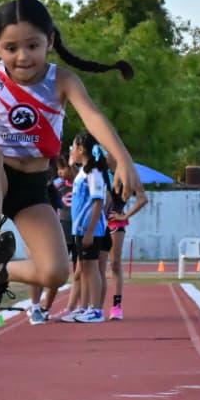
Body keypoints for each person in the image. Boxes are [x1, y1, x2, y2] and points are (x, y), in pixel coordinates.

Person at [0, 0, 143, 319]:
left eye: (33, 46)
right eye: (11, 48)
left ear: (50, 41)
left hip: (31, 187)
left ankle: (0, 273)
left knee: (55, 273)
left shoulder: (61, 81)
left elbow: (93, 118)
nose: (23, 57)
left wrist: (123, 159)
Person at [61, 134, 110, 323]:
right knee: (84, 269)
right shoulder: (82, 172)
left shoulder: (94, 173)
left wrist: (90, 231)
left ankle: (96, 310)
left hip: (91, 229)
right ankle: (86, 307)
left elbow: (98, 203)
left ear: (81, 149)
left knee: (91, 269)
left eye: (73, 147)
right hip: (79, 229)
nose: (71, 151)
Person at [28, 157, 74, 324]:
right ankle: (34, 307)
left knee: (55, 272)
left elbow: (60, 208)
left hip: (52, 233)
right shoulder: (27, 188)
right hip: (34, 231)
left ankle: (44, 307)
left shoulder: (53, 188)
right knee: (37, 268)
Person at [105, 153, 148, 321]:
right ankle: (91, 305)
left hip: (115, 223)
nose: (105, 156)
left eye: (108, 153)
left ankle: (116, 306)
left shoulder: (129, 175)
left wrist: (125, 216)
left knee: (114, 263)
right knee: (95, 266)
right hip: (98, 223)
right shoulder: (99, 171)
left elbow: (143, 199)